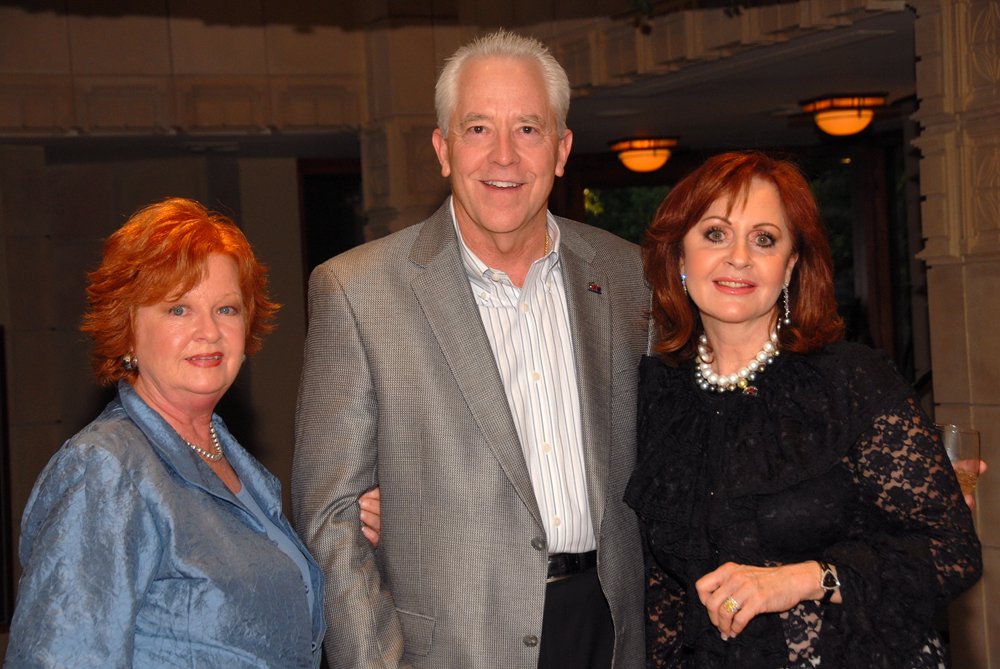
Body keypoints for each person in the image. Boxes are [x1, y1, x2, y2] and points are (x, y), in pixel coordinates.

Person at [292, 30, 649, 669]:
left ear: (563, 150)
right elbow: (331, 517)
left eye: (529, 130)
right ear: (443, 149)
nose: (503, 157)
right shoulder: (357, 290)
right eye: (478, 128)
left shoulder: (628, 278)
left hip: (610, 634)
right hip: (453, 649)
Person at [624, 151, 982, 668]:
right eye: (716, 234)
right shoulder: (659, 393)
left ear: (790, 266)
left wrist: (804, 577)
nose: (739, 257)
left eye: (764, 239)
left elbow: (952, 552)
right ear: (679, 258)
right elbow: (662, 586)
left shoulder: (850, 381)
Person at [4, 198, 377, 668]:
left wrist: (356, 532)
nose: (209, 332)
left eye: (226, 309)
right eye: (178, 310)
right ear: (128, 329)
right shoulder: (105, 468)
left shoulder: (235, 464)